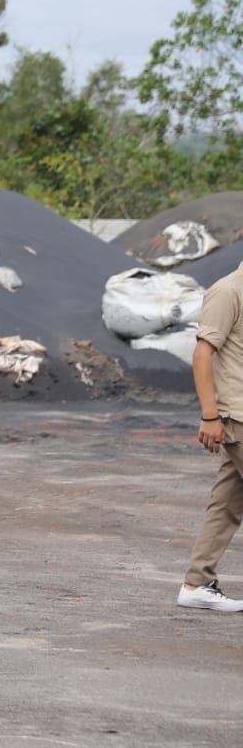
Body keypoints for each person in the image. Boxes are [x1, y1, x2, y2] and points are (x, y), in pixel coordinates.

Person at [176, 261, 243, 612]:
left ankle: (197, 583)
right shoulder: (228, 291)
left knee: (227, 504)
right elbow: (203, 353)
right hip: (239, 414)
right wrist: (210, 415)